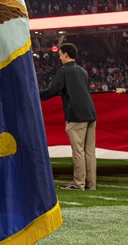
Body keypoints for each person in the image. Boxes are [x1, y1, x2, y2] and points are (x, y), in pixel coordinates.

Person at [39, 42, 97, 190]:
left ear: (65, 54)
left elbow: (53, 90)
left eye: (60, 55)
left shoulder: (64, 71)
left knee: (78, 150)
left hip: (76, 115)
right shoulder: (82, 71)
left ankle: (79, 183)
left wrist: (35, 96)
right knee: (89, 151)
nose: (60, 58)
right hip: (91, 113)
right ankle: (91, 184)